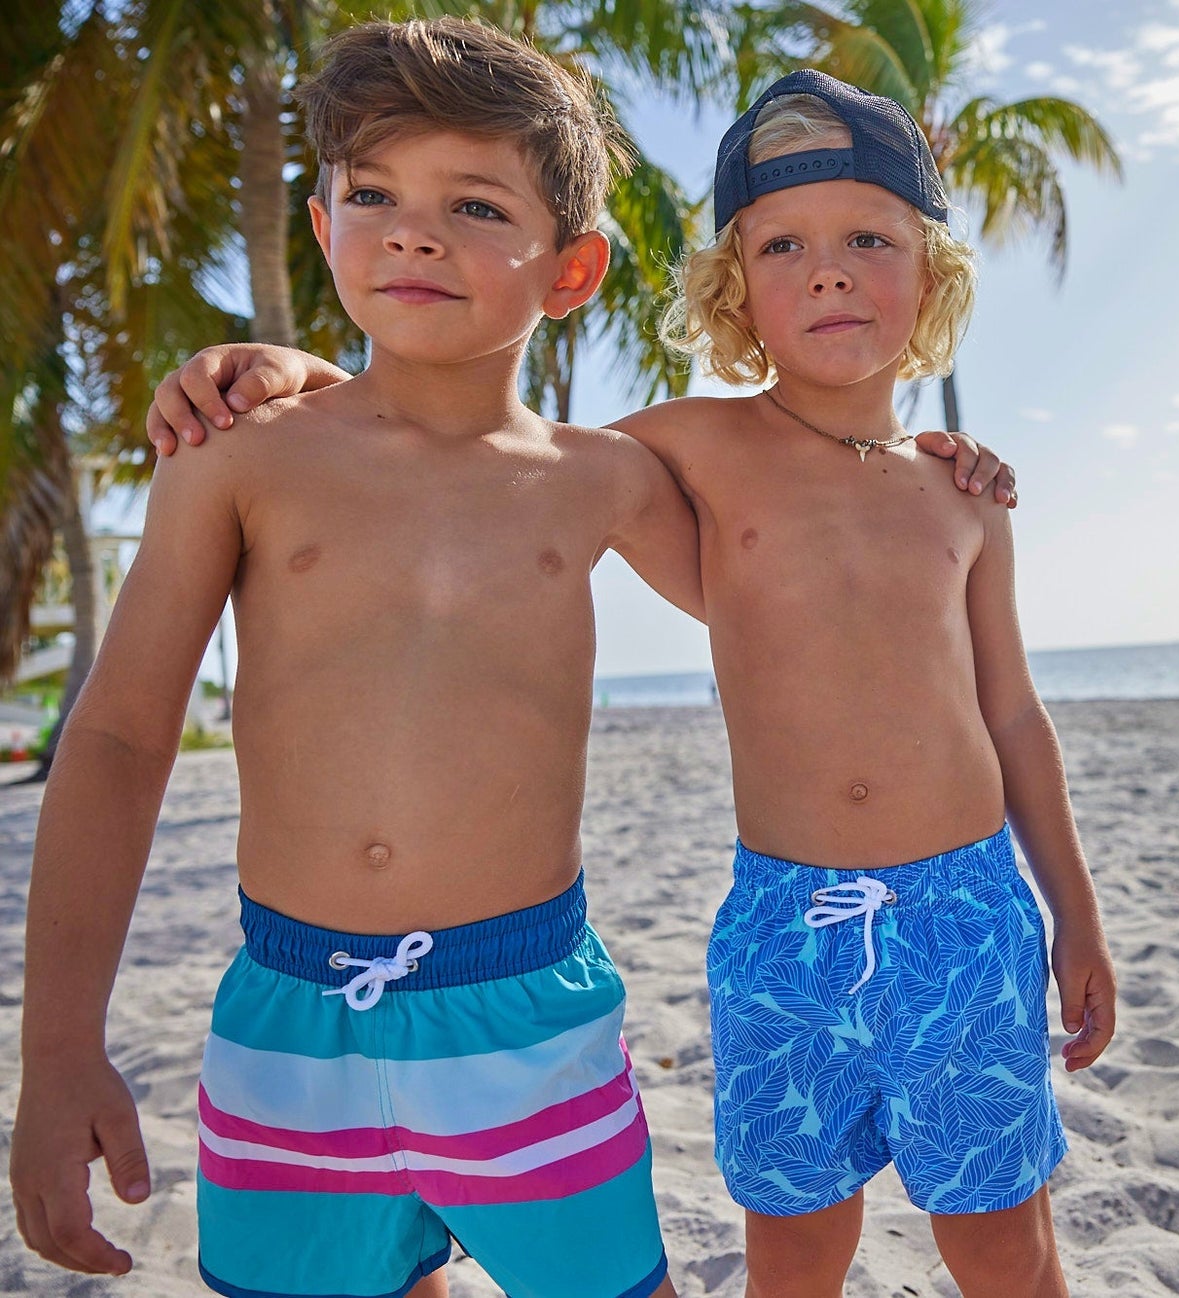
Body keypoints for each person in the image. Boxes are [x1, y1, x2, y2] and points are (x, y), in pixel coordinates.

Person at [11, 22, 1004, 1298]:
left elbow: (806, 575)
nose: (413, 234)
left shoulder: (598, 478)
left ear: (571, 269)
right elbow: (119, 734)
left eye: (474, 205)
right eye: (373, 196)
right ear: (323, 229)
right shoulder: (243, 455)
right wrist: (58, 1044)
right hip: (288, 1021)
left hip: (529, 1013)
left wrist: (937, 475)